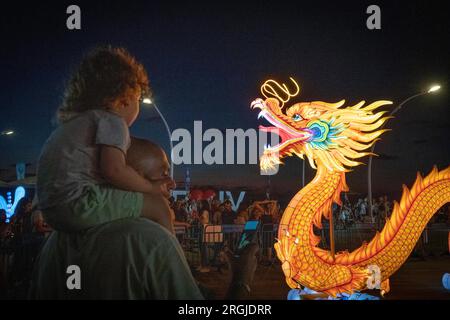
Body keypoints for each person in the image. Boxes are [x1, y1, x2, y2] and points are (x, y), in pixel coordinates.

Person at [29, 138, 258, 299]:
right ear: (128, 178)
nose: (172, 183)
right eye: (163, 172)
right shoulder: (149, 240)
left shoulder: (57, 240)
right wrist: (241, 279)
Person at [36, 46, 173, 234]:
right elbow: (114, 170)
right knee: (158, 206)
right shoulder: (114, 122)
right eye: (138, 100)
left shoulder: (75, 124)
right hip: (78, 203)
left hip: (51, 210)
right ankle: (170, 258)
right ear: (125, 98)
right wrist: (150, 188)